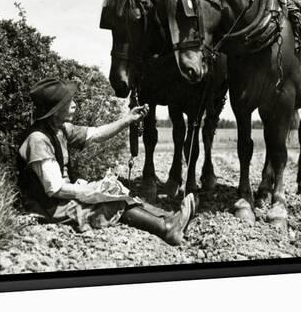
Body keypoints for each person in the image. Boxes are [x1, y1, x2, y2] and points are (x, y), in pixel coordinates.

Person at [17, 77, 196, 246]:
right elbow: (55, 189)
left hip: (60, 198)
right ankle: (165, 228)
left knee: (121, 193)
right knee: (114, 202)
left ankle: (169, 218)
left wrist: (128, 120)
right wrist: (90, 190)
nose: (74, 104)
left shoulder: (59, 129)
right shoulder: (38, 140)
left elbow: (97, 134)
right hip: (50, 207)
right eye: (68, 102)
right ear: (55, 110)